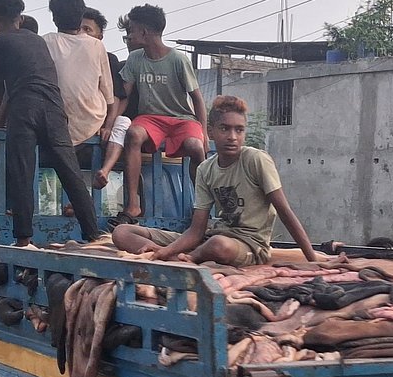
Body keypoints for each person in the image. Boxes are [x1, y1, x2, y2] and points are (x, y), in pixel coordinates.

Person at [112, 95, 316, 266]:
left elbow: (284, 211)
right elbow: (196, 230)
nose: (233, 137)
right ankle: (179, 256)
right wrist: (168, 248)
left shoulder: (255, 159)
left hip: (249, 246)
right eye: (225, 129)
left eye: (239, 130)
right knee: (122, 232)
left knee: (219, 245)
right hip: (210, 237)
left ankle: (187, 258)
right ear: (210, 132)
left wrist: (312, 260)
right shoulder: (206, 169)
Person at [0, 0, 100, 247]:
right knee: (70, 172)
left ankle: (24, 238)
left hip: (24, 109)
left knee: (22, 172)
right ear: (19, 16)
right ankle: (93, 235)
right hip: (54, 110)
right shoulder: (36, 40)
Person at [111, 4, 207, 224]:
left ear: (144, 32)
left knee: (195, 146)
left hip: (181, 118)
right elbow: (123, 96)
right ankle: (133, 204)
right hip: (151, 118)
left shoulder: (177, 60)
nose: (130, 36)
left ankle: (201, 204)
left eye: (132, 31)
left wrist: (203, 131)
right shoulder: (136, 59)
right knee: (133, 134)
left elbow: (197, 99)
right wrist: (110, 122)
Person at [41, 0, 116, 162]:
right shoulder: (96, 45)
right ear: (80, 16)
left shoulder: (44, 42)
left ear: (54, 18)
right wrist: (108, 126)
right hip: (91, 123)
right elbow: (109, 96)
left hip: (53, 126)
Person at [81, 7, 137, 181]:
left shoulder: (110, 61)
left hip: (114, 127)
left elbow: (116, 98)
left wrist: (108, 125)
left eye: (88, 30)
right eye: (79, 29)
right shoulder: (64, 57)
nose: (82, 34)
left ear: (100, 37)